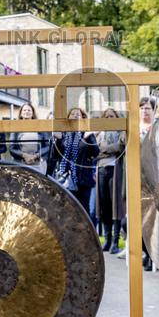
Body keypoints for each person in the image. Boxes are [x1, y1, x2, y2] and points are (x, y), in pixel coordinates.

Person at [54, 107, 100, 225]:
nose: (75, 116)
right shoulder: (63, 134)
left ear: (82, 117)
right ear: (68, 117)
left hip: (83, 178)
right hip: (66, 178)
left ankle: (86, 235)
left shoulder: (86, 133)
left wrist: (88, 138)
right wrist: (58, 140)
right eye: (72, 114)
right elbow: (56, 154)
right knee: (67, 209)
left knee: (84, 210)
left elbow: (95, 152)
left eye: (78, 114)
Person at [96, 107, 126, 254]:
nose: (109, 119)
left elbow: (120, 146)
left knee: (115, 205)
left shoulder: (121, 132)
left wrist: (105, 150)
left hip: (116, 169)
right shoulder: (100, 133)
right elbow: (96, 150)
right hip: (102, 169)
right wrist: (108, 150)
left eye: (112, 116)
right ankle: (107, 240)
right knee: (104, 205)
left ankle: (115, 241)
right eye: (106, 117)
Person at [9, 102, 50, 174]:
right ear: (21, 113)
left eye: (29, 110)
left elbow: (47, 146)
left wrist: (35, 156)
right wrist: (24, 155)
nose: (27, 112)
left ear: (33, 113)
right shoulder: (15, 127)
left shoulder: (41, 126)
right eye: (24, 110)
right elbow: (11, 148)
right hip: (20, 163)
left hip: (38, 163)